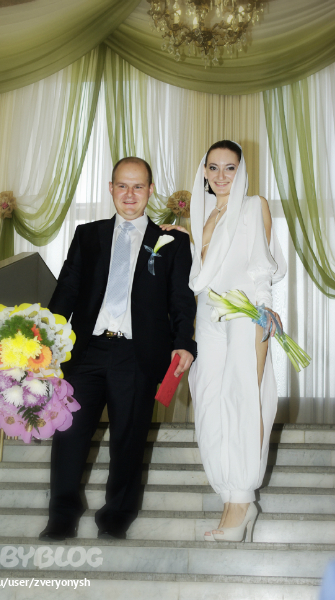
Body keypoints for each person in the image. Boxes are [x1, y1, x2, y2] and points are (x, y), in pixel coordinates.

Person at [39, 157, 197, 541]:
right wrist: (42, 339)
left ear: (150, 190)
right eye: (122, 186)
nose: (129, 194)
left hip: (137, 355)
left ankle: (115, 519)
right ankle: (62, 516)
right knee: (69, 435)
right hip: (87, 352)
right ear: (110, 188)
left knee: (128, 440)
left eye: (138, 186)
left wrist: (183, 344)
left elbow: (180, 299)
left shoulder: (172, 242)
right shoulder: (88, 234)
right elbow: (67, 291)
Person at [161, 140, 286, 542]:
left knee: (243, 399)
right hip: (208, 316)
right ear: (203, 171)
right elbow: (203, 269)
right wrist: (184, 237)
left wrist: (265, 309)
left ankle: (242, 500)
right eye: (213, 167)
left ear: (241, 170)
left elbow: (260, 263)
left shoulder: (253, 206)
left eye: (229, 167)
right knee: (209, 403)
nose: (220, 176)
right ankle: (230, 498)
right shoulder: (200, 215)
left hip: (244, 310)